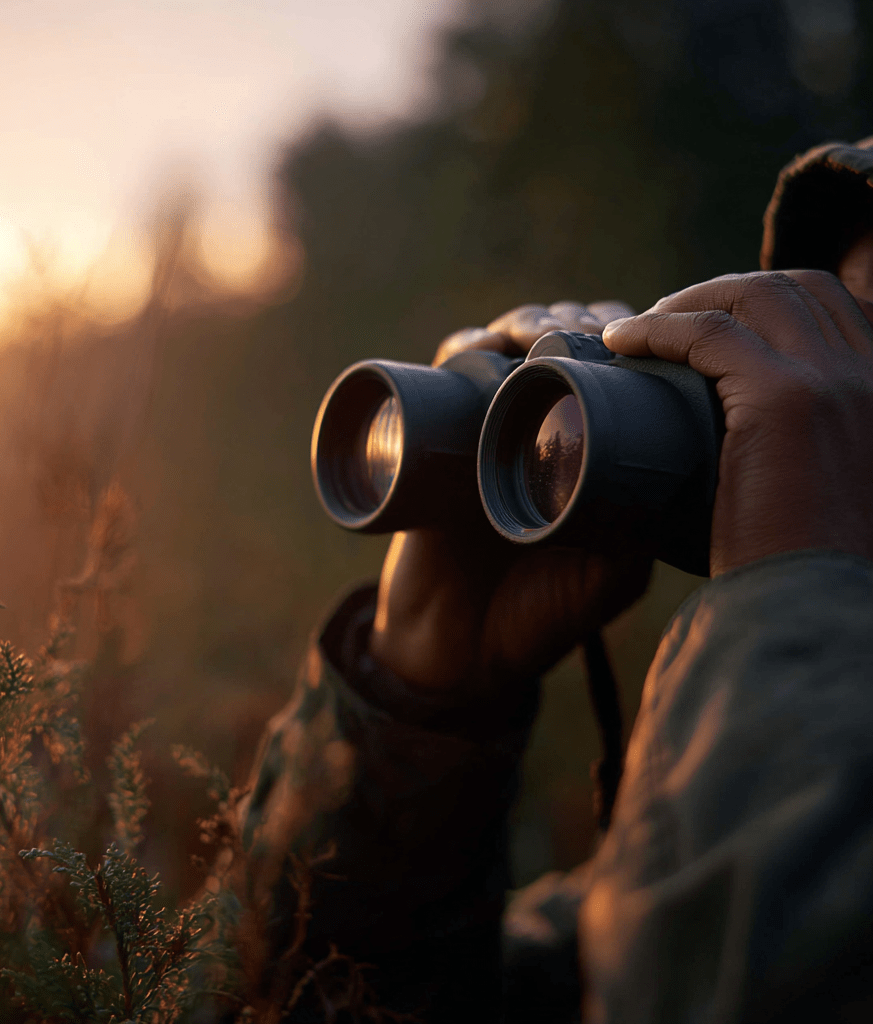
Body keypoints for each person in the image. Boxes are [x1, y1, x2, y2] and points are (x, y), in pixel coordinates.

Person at [234, 138, 873, 1022]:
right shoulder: (670, 875)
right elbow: (298, 1001)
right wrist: (414, 704)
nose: (822, 410)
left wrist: (796, 601)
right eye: (839, 341)